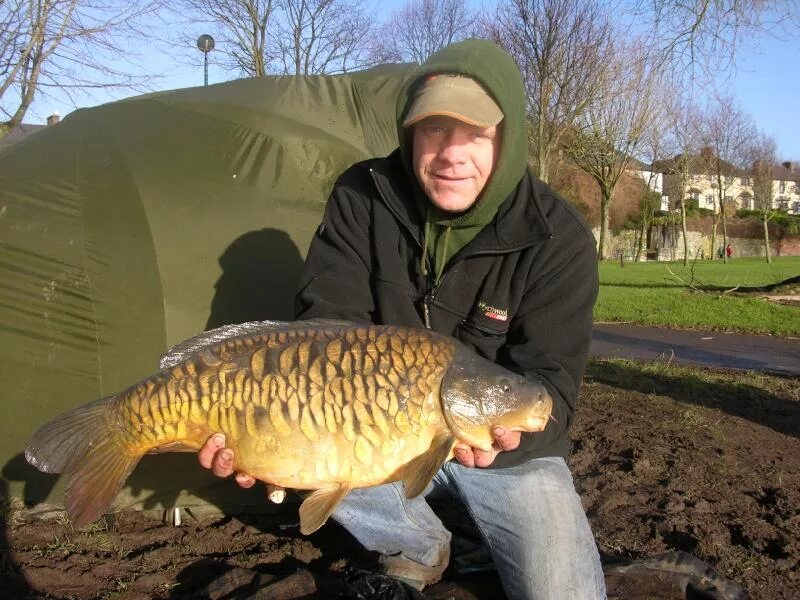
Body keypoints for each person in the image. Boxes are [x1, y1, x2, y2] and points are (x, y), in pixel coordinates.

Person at [198, 39, 606, 599]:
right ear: (409, 133)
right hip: (374, 433)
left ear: (508, 140)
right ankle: (417, 545)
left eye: (476, 134)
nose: (451, 154)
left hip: (497, 443)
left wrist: (510, 438)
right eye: (434, 130)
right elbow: (326, 333)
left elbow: (550, 392)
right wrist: (260, 438)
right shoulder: (363, 195)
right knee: (298, 447)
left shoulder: (559, 239)